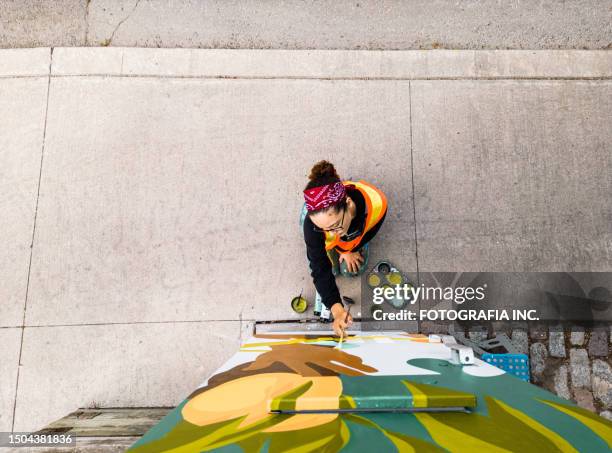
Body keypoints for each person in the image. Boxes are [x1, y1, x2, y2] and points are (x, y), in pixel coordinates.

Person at [301, 160, 388, 337]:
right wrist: (337, 311)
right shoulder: (313, 226)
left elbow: (367, 234)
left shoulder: (377, 205)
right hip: (331, 226)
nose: (330, 233)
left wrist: (349, 249)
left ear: (348, 203)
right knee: (328, 268)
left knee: (349, 271)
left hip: (355, 237)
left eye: (335, 226)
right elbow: (319, 268)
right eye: (323, 229)